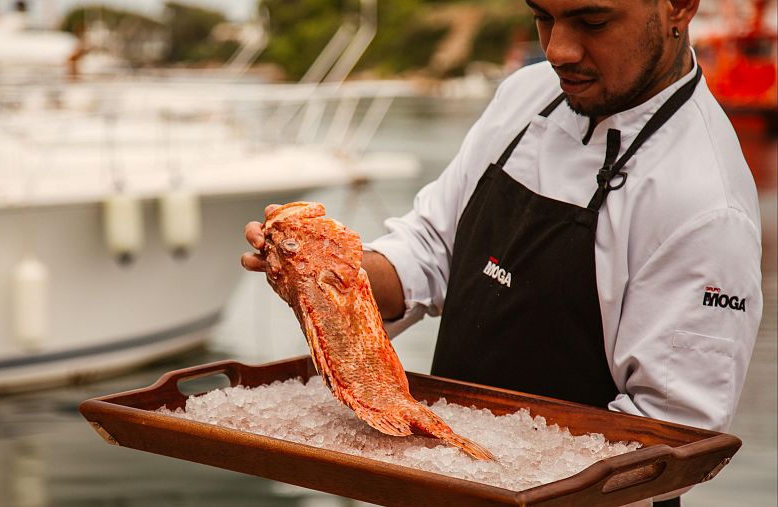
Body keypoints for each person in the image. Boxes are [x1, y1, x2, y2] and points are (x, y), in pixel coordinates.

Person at [242, 1, 762, 504]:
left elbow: (666, 441)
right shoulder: (526, 95)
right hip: (446, 484)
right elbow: (431, 246)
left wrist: (491, 473)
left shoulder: (704, 203)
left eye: (593, 21)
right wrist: (329, 279)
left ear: (679, 6)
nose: (558, 50)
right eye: (542, 17)